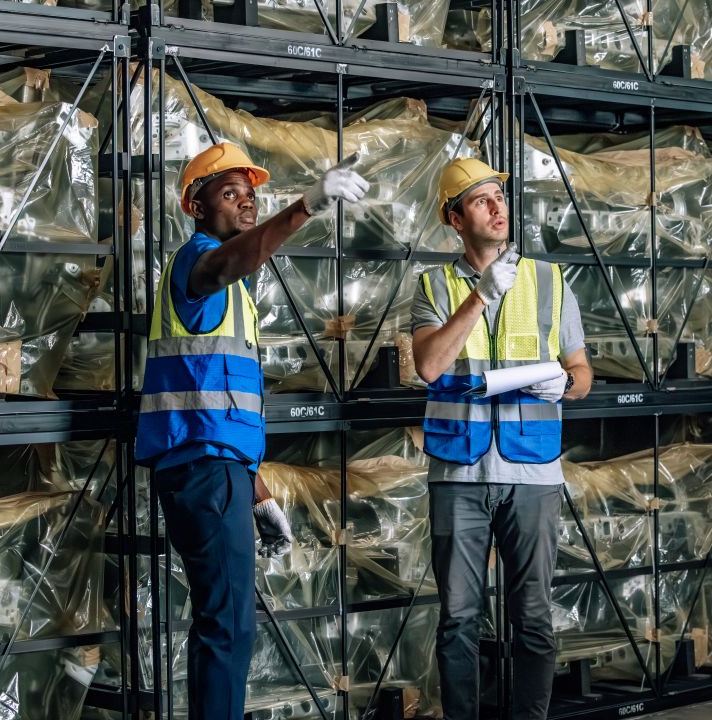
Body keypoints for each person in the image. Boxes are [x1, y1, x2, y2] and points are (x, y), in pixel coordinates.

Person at [135, 142, 369, 719]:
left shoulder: (233, 293)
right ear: (196, 207)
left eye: (250, 192)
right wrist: (307, 205)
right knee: (228, 623)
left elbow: (220, 397)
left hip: (221, 470)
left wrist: (254, 483)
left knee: (230, 620)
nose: (245, 201)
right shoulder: (199, 265)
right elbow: (229, 261)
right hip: (201, 470)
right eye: (228, 192)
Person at [411, 157, 592, 720]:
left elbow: (582, 372)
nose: (497, 208)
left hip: (533, 472)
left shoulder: (549, 280)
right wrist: (480, 296)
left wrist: (564, 387)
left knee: (534, 615)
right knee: (459, 617)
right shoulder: (433, 285)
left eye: (499, 197)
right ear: (454, 217)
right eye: (481, 200)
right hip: (459, 475)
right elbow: (429, 366)